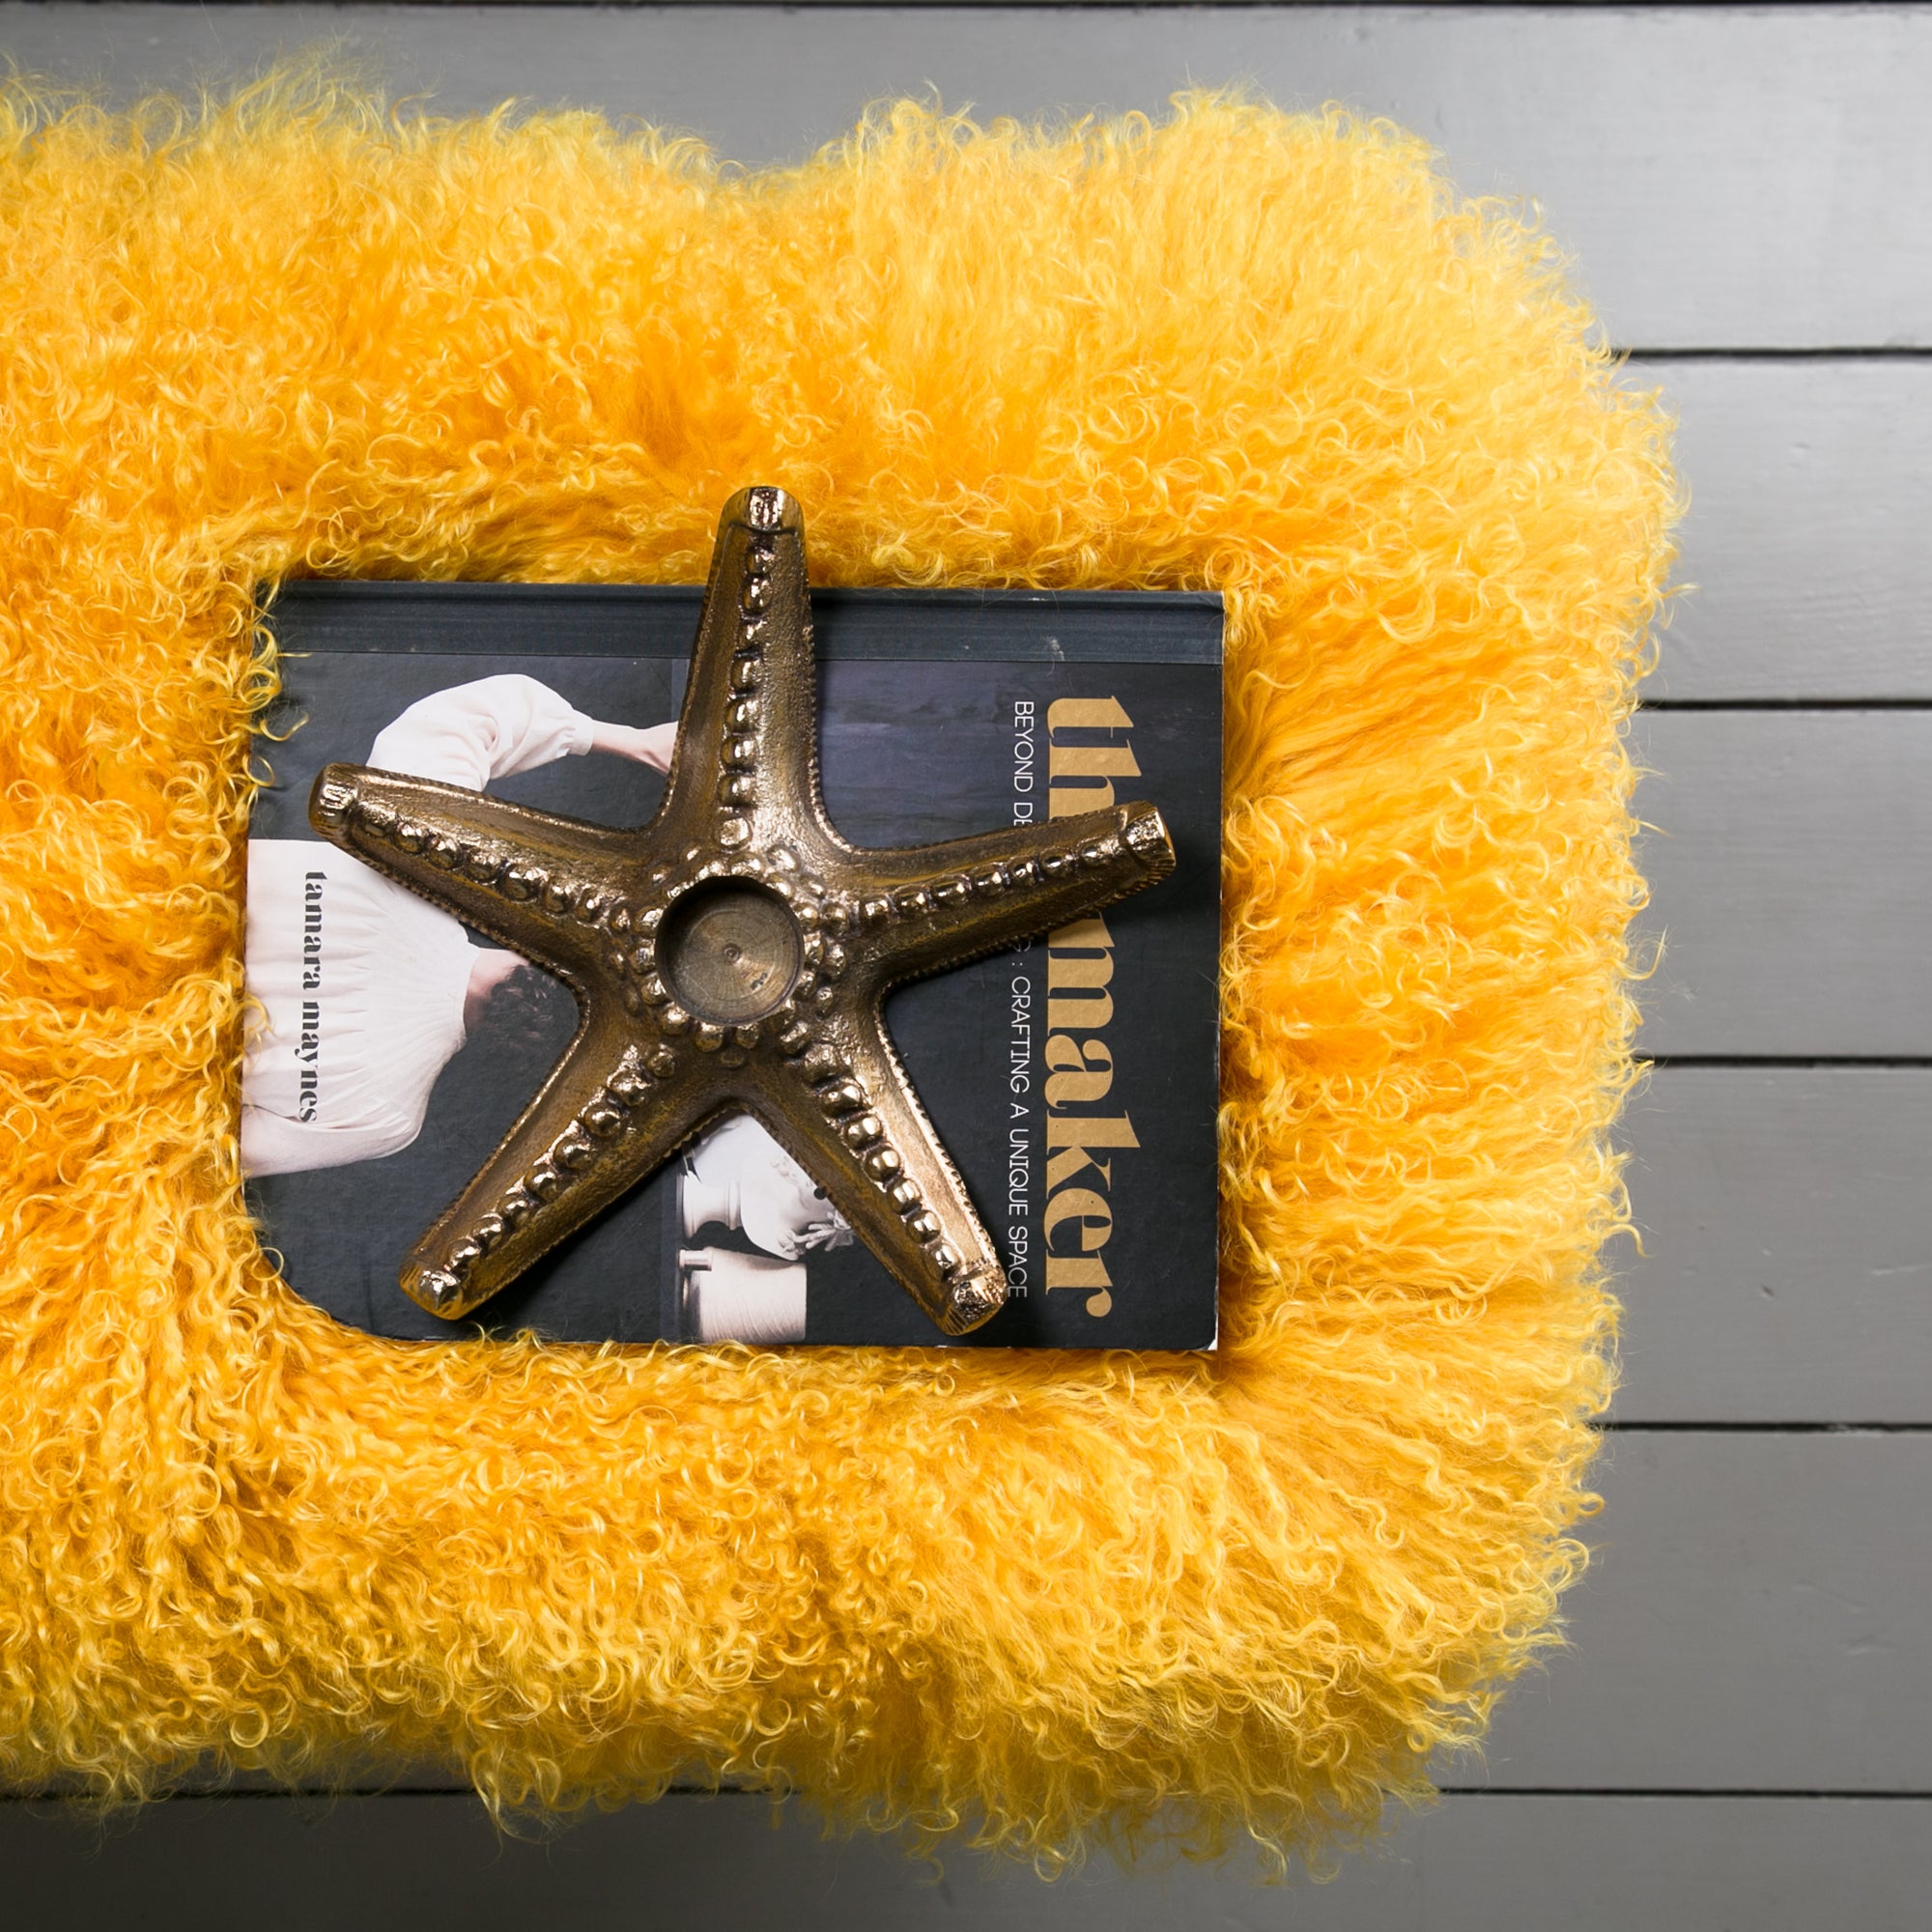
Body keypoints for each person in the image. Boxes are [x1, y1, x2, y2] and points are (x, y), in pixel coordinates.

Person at [242, 673, 852, 1301]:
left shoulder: (405, 861)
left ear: (547, 934)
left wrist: (627, 740)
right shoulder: (388, 1119)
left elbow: (466, 718)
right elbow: (213, 1148)